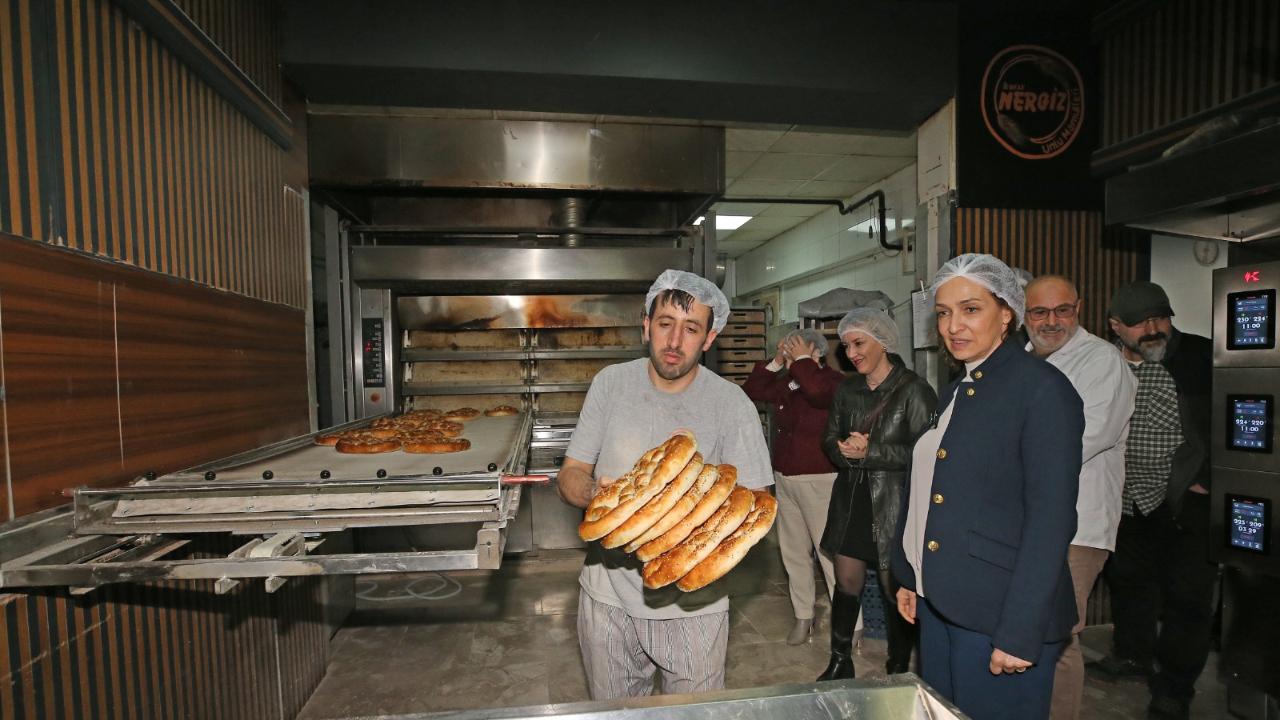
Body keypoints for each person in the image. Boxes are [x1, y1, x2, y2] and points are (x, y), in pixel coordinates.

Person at [557, 268, 773, 700]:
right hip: (607, 598)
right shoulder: (610, 385)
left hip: (693, 607)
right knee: (616, 713)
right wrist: (598, 498)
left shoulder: (732, 404)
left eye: (691, 328)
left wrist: (685, 530)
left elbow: (757, 504)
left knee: (694, 713)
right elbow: (570, 474)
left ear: (709, 339)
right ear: (646, 325)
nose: (674, 341)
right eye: (665, 324)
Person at [892, 253, 1084, 720]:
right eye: (943, 313)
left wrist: (1020, 631)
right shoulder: (962, 385)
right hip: (943, 600)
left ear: (1007, 314)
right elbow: (933, 486)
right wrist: (910, 573)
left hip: (999, 612)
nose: (953, 325)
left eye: (970, 309)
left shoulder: (1042, 389)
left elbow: (1051, 520)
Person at [1092, 281, 1215, 720]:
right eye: (1140, 323)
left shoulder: (1202, 357)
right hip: (1124, 500)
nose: (1152, 330)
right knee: (1129, 585)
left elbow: (1245, 413)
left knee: (1187, 598)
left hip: (1182, 500)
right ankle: (1132, 655)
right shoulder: (1103, 363)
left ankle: (1174, 688)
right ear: (1115, 327)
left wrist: (1207, 476)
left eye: (1160, 318)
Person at [1023, 275, 1136, 720]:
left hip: (1078, 526)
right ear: (1023, 316)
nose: (1052, 321)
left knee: (1059, 637)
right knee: (1026, 631)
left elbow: (1085, 438)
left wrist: (1004, 456)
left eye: (1063, 310)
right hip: (1028, 519)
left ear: (1079, 308)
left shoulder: (1102, 361)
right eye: (1040, 312)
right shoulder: (1021, 359)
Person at [817, 308, 937, 680]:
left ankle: (898, 666)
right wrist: (845, 450)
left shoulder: (914, 390)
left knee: (893, 587)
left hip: (895, 505)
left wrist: (872, 452)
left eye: (859, 343)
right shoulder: (847, 388)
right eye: (847, 346)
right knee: (847, 580)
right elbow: (828, 438)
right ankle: (840, 661)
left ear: (882, 341)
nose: (851, 353)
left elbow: (927, 454)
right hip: (853, 500)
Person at [742, 328, 845, 645]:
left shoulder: (832, 382)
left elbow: (816, 392)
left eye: (795, 346)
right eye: (786, 346)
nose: (789, 351)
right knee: (794, 553)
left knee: (829, 554)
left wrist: (802, 359)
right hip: (785, 478)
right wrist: (776, 361)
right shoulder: (790, 381)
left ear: (816, 351)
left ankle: (848, 623)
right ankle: (804, 616)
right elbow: (752, 391)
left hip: (820, 480)